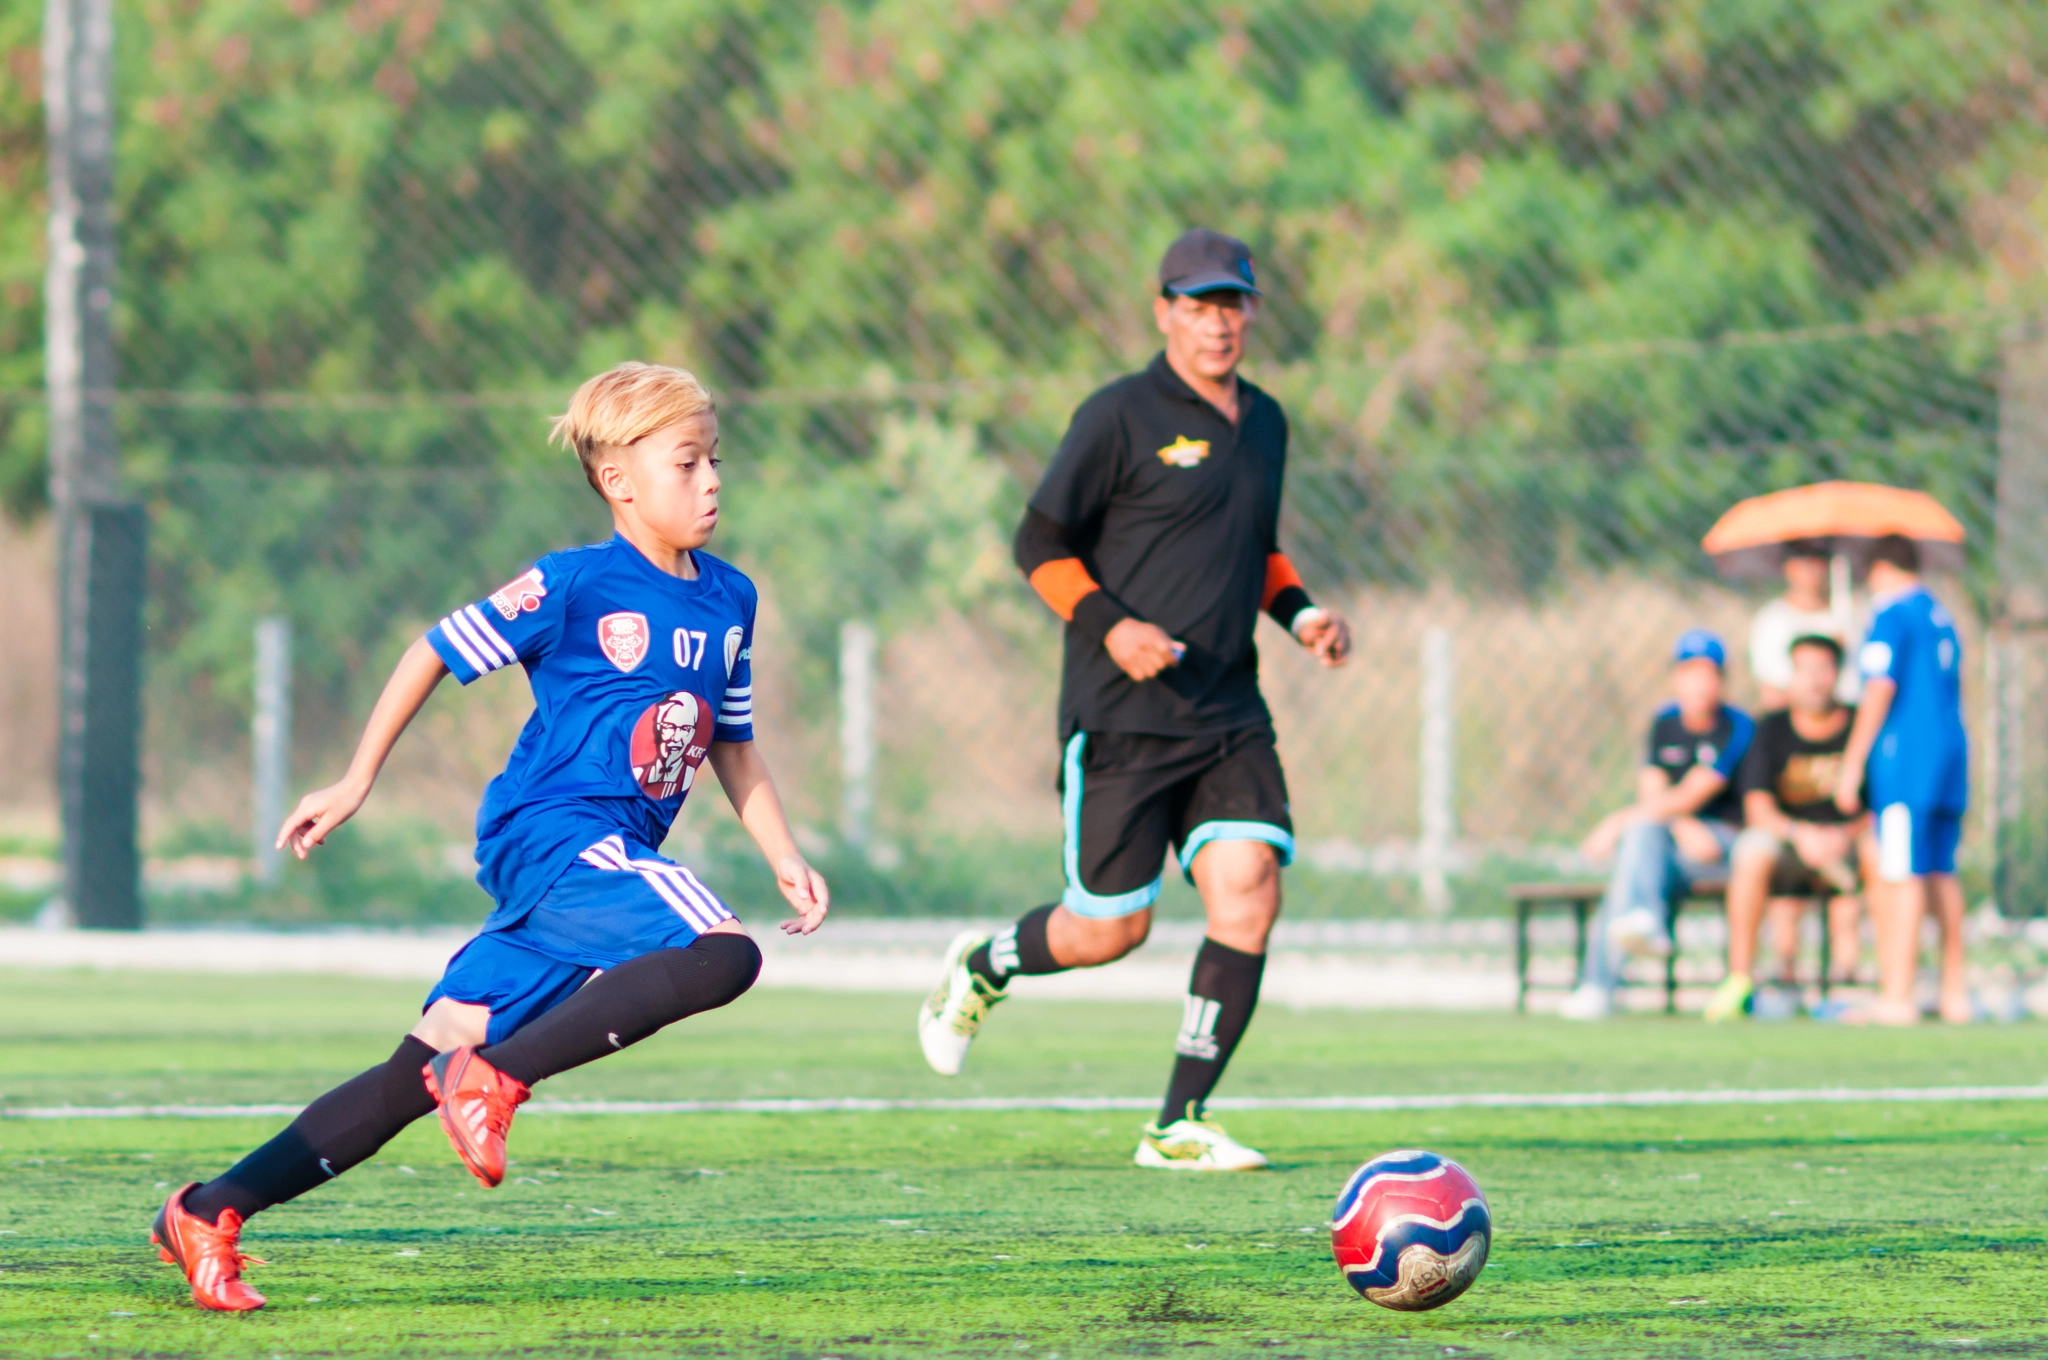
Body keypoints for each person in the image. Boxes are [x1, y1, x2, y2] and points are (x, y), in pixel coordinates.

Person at [148, 363, 830, 1311]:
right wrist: (356, 778)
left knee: (423, 1061)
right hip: (555, 834)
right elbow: (433, 648)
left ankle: (210, 1211)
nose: (712, 481)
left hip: (587, 867)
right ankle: (497, 1078)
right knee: (722, 953)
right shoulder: (573, 583)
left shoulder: (731, 600)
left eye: (716, 460)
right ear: (618, 481)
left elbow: (733, 744)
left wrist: (782, 852)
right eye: (687, 464)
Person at [915, 228, 1352, 1171]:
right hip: (1121, 713)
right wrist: (1112, 626)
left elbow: (1253, 549)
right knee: (1108, 930)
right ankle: (985, 964)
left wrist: (1303, 614)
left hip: (1229, 711)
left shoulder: (1266, 422)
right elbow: (1038, 543)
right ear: (1164, 313)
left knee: (1248, 894)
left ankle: (1177, 1123)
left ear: (1252, 312)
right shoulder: (1118, 415)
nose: (1215, 323)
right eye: (1196, 305)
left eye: (1230, 304)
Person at [1560, 629, 1755, 1021]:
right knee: (1639, 847)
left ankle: (1600, 982)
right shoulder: (1664, 722)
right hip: (1675, 840)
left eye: (1708, 674)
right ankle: (1641, 920)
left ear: (1722, 680)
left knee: (1634, 852)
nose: (1699, 683)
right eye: (1690, 672)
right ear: (1675, 677)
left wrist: (1617, 821)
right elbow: (1654, 794)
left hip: (1723, 844)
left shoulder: (1737, 726)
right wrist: (1677, 824)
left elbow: (1693, 795)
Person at [1833, 534, 1970, 1026]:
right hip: (1949, 756)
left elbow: (1878, 688)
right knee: (1940, 871)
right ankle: (1955, 991)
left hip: (1906, 762)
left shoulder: (1890, 614)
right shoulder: (1941, 615)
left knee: (1902, 871)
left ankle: (1898, 993)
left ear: (1879, 571)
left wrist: (1852, 763)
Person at [1705, 634, 1875, 1022]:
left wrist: (1840, 837)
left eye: (1823, 669)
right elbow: (1757, 807)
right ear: (1791, 676)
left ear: (1838, 674)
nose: (1814, 680)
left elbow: (1881, 806)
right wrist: (1802, 836)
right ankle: (1740, 980)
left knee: (1883, 850)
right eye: (1805, 670)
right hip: (1790, 843)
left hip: (1847, 843)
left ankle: (1890, 984)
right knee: (1750, 851)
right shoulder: (1770, 729)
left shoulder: (1861, 726)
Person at [1748, 541, 1858, 710]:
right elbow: (1771, 696)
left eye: (1820, 557)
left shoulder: (1851, 616)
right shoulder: (1772, 621)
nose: (1812, 566)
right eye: (1802, 557)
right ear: (1787, 566)